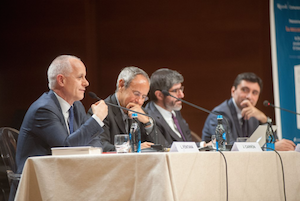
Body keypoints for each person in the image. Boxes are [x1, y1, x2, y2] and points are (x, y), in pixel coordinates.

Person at [10, 55, 108, 200]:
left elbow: (94, 139)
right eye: (80, 77)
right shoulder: (43, 109)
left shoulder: (76, 106)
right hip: (38, 187)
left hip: (62, 180)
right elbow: (65, 148)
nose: (86, 83)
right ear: (61, 80)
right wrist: (97, 119)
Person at [202, 72, 296, 151]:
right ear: (233, 91)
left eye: (254, 93)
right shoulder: (220, 114)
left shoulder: (255, 115)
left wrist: (264, 119)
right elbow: (228, 147)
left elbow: (274, 140)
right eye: (244, 90)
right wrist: (269, 148)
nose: (249, 96)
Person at [88, 67, 157, 152]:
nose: (139, 101)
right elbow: (100, 146)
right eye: (136, 94)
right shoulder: (101, 111)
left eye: (143, 97)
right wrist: (129, 149)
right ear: (121, 85)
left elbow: (160, 146)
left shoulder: (142, 113)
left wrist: (147, 123)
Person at [145, 68, 193, 148]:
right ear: (159, 95)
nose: (181, 95)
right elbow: (164, 147)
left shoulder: (175, 112)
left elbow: (187, 142)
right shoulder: (148, 117)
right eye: (175, 91)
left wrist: (203, 145)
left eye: (181, 89)